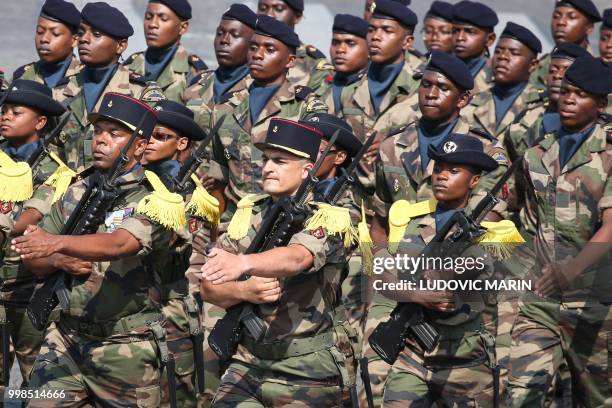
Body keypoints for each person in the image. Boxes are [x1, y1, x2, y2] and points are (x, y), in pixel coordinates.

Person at [11, 92, 184, 407]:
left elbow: (120, 243)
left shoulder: (157, 199)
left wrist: (57, 244)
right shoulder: (78, 189)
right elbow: (34, 256)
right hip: (65, 338)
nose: (101, 140)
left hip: (124, 347)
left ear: (141, 146)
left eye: (114, 134)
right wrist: (61, 258)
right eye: (98, 131)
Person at [366, 51, 508, 407]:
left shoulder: (487, 152)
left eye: (441, 88)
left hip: (458, 285)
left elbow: (489, 221)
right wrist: (383, 276)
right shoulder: (391, 146)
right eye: (425, 85)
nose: (429, 93)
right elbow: (379, 222)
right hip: (399, 286)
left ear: (462, 99)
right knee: (380, 387)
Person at [190, 118, 356, 407]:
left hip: (304, 368)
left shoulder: (329, 217)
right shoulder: (250, 213)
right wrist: (244, 291)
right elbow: (208, 288)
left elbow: (297, 257)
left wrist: (244, 264)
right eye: (266, 159)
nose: (267, 167)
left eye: (279, 161)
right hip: (247, 363)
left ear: (307, 170)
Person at [508, 55, 612, 408]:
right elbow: (519, 215)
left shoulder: (609, 155)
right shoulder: (536, 153)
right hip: (540, 301)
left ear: (601, 104)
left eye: (580, 95)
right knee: (522, 395)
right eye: (565, 91)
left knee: (598, 400)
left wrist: (568, 272)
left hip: (597, 306)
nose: (568, 99)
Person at [379, 132, 513, 407]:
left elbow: (479, 266)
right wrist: (417, 296)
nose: (441, 176)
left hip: (465, 358)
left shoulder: (495, 231)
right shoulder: (409, 219)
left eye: (454, 170)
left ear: (474, 181)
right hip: (412, 353)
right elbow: (382, 277)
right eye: (438, 168)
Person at [208, 15, 327, 227]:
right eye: (253, 47)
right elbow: (219, 179)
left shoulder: (304, 108)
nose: (258, 55)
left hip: (284, 222)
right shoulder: (225, 107)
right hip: (233, 225)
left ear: (290, 61)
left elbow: (319, 173)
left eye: (269, 50)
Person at [143, 99, 215, 407]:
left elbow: (191, 252)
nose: (148, 143)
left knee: (175, 392)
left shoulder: (189, 192)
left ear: (181, 143)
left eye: (160, 136)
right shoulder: (132, 179)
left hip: (169, 307)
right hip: (125, 304)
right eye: (145, 135)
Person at [0, 79, 67, 397]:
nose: (6, 116)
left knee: (37, 384)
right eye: (5, 110)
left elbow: (29, 218)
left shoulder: (53, 171)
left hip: (26, 286)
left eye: (16, 111)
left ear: (40, 122)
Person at [56, 1, 165, 173]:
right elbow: (50, 149)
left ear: (121, 46)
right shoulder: (61, 90)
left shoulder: (140, 92)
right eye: (82, 32)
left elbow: (155, 152)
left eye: (96, 34)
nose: (84, 39)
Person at [464, 22, 546, 141]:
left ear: (532, 65)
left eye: (514, 53)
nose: (503, 57)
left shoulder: (541, 106)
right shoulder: (474, 99)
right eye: (498, 51)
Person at [123, 0, 207, 103]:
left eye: (163, 19)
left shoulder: (193, 73)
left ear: (183, 27)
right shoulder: (129, 65)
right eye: (148, 17)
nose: (153, 24)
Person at [12, 0, 82, 101]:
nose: (44, 39)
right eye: (40, 31)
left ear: (75, 40)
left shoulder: (85, 78)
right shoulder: (22, 76)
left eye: (55, 34)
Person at [257, 0, 333, 91]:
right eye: (262, 8)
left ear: (297, 17)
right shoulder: (242, 55)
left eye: (279, 9)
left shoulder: (315, 66)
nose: (269, 15)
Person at [530, 0, 601, 86]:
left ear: (589, 27)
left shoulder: (598, 72)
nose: (561, 22)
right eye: (556, 16)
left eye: (571, 17)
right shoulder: (534, 67)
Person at [316, 14, 369, 116]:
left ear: (369, 49)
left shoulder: (375, 90)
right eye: (336, 43)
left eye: (350, 43)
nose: (340, 50)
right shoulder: (319, 86)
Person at [451, 0, 498, 95]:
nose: (460, 38)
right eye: (455, 31)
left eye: (470, 32)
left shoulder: (497, 76)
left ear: (489, 39)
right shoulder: (440, 68)